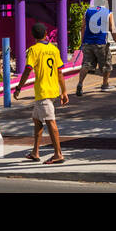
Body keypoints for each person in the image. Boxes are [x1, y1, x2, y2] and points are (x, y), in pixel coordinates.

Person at [13, 23, 69, 164]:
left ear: (33, 36)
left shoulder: (33, 50)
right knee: (37, 121)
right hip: (53, 91)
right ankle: (35, 152)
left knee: (51, 122)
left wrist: (19, 87)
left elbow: (28, 69)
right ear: (46, 34)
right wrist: (64, 91)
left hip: (43, 92)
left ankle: (58, 154)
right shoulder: (54, 49)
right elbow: (60, 72)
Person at [76, 0, 116, 95]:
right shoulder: (108, 12)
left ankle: (80, 84)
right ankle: (105, 85)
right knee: (106, 64)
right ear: (105, 2)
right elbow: (113, 29)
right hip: (101, 43)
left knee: (86, 64)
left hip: (87, 42)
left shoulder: (87, 11)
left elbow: (83, 27)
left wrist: (82, 42)